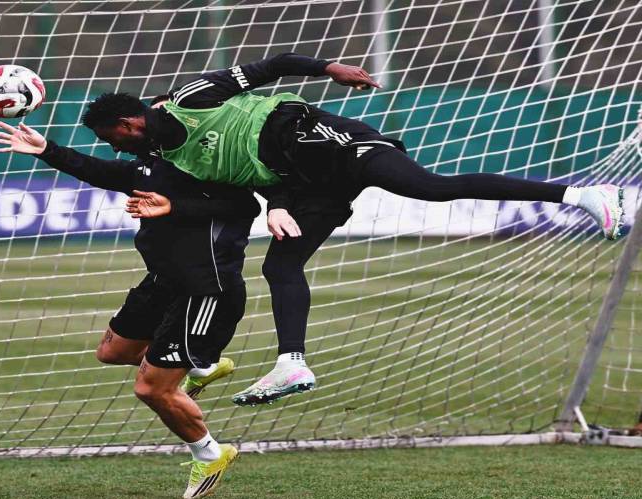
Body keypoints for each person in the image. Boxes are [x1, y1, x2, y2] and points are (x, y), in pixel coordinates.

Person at [78, 52, 625, 406]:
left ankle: (578, 194)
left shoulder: (189, 100)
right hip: (306, 182)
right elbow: (251, 174)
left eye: (111, 137)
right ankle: (292, 364)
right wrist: (275, 204)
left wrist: (328, 70)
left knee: (429, 188)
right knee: (280, 262)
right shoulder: (181, 159)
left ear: (128, 123)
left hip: (328, 142)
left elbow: (269, 67)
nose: (113, 147)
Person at [0, 113, 259, 499]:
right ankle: (201, 365)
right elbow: (101, 171)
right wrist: (47, 150)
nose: (113, 144)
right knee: (113, 351)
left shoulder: (210, 163)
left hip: (204, 290)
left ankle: (210, 453)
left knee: (152, 389)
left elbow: (245, 207)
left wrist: (172, 207)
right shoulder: (150, 163)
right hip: (161, 282)